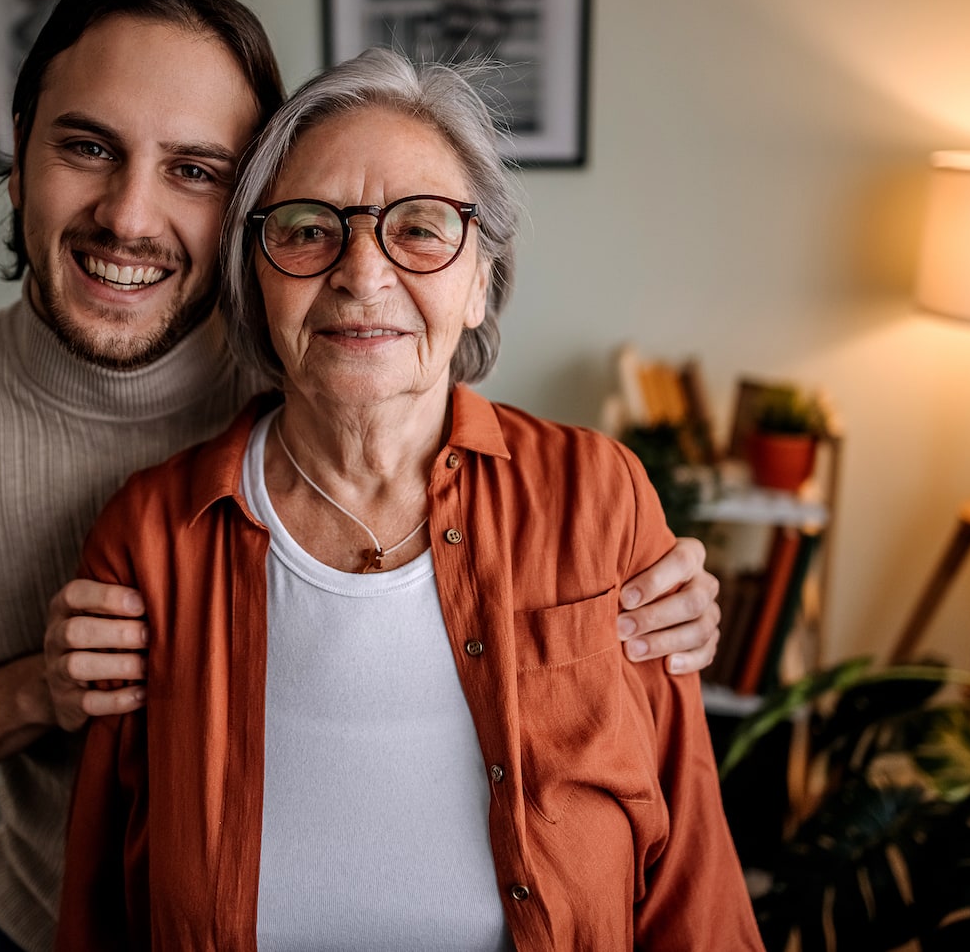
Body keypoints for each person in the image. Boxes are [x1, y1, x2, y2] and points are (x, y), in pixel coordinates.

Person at [0, 0, 721, 952]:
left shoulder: (343, 365)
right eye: (85, 146)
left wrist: (630, 564)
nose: (128, 215)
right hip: (67, 911)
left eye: (195, 170)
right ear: (18, 154)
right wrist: (35, 689)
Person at [57, 47, 760, 950]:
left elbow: (691, 877)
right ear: (256, 275)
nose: (361, 271)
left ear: (478, 281)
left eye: (421, 228)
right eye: (309, 229)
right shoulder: (150, 537)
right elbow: (100, 910)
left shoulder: (599, 498)